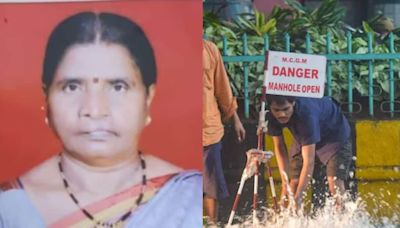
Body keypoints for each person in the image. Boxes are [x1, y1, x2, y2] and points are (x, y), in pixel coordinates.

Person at [0, 12, 201, 228]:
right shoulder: (11, 207)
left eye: (117, 86)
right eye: (72, 86)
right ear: (46, 98)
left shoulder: (190, 196)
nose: (94, 110)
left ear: (148, 97)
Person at [264, 95, 352, 211]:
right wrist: (285, 186)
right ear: (270, 108)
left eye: (286, 109)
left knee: (334, 181)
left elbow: (308, 162)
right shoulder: (269, 115)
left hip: (334, 135)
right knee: (293, 183)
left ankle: (343, 219)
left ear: (293, 104)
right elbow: (279, 147)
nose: (281, 114)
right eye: (276, 110)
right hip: (304, 137)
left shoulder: (306, 115)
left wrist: (299, 197)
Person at [202, 39, 246, 225]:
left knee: (211, 186)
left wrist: (235, 119)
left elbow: (222, 87)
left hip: (208, 129)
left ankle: (212, 224)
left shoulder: (209, 49)